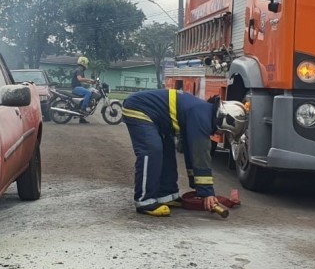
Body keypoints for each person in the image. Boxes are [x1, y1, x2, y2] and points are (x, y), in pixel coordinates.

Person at [121, 89, 248, 217]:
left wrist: (198, 187)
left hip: (156, 118)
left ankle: (167, 195)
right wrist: (207, 192)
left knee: (167, 154)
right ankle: (144, 201)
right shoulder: (202, 117)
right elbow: (200, 155)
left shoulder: (203, 112)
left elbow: (190, 151)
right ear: (225, 119)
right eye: (225, 131)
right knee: (152, 151)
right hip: (139, 108)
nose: (221, 134)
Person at [70, 56, 96, 124]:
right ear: (83, 63)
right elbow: (80, 79)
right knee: (88, 93)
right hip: (76, 88)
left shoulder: (81, 71)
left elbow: (83, 80)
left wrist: (91, 82)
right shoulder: (78, 70)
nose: (87, 65)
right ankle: (83, 109)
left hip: (78, 87)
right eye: (86, 63)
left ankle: (81, 119)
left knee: (88, 93)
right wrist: (90, 79)